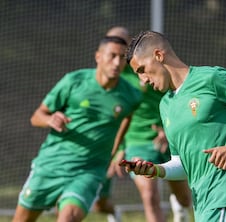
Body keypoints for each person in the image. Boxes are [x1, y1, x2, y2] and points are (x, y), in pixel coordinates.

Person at [120, 30, 226, 222]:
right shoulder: (165, 106)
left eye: (142, 70)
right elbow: (182, 164)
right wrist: (155, 170)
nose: (143, 80)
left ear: (158, 55)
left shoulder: (212, 79)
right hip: (203, 205)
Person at [12, 36, 142, 222]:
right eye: (111, 55)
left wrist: (119, 149)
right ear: (98, 57)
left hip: (89, 170)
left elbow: (127, 119)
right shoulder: (74, 81)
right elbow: (37, 116)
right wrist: (51, 120)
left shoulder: (132, 94)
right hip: (52, 164)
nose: (116, 62)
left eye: (121, 58)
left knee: (68, 218)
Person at [94, 26, 193, 222]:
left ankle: (180, 208)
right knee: (149, 195)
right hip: (137, 141)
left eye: (123, 44)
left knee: (185, 198)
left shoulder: (149, 67)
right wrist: (119, 148)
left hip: (166, 136)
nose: (118, 52)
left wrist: (170, 130)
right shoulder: (109, 79)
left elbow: (176, 96)